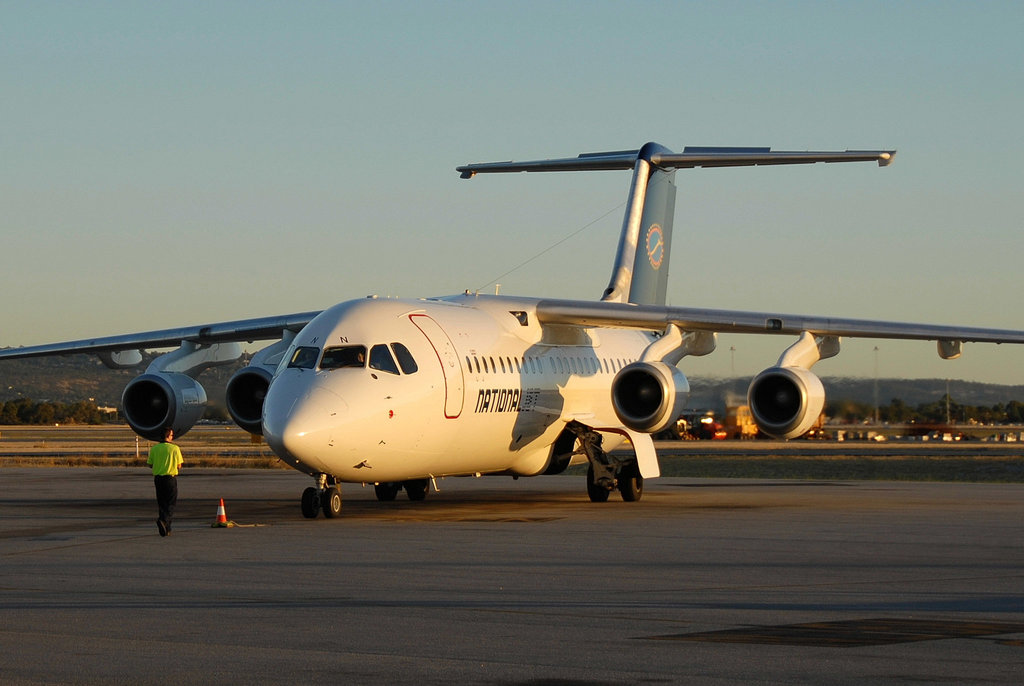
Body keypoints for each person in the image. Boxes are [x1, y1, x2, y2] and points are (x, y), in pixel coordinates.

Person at [147, 427, 183, 537]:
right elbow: (179, 465)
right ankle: (163, 520)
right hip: (170, 478)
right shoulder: (175, 448)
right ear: (168, 436)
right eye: (172, 435)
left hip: (158, 478)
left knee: (161, 503)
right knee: (170, 503)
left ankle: (166, 529)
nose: (172, 437)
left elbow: (150, 464)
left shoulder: (154, 448)